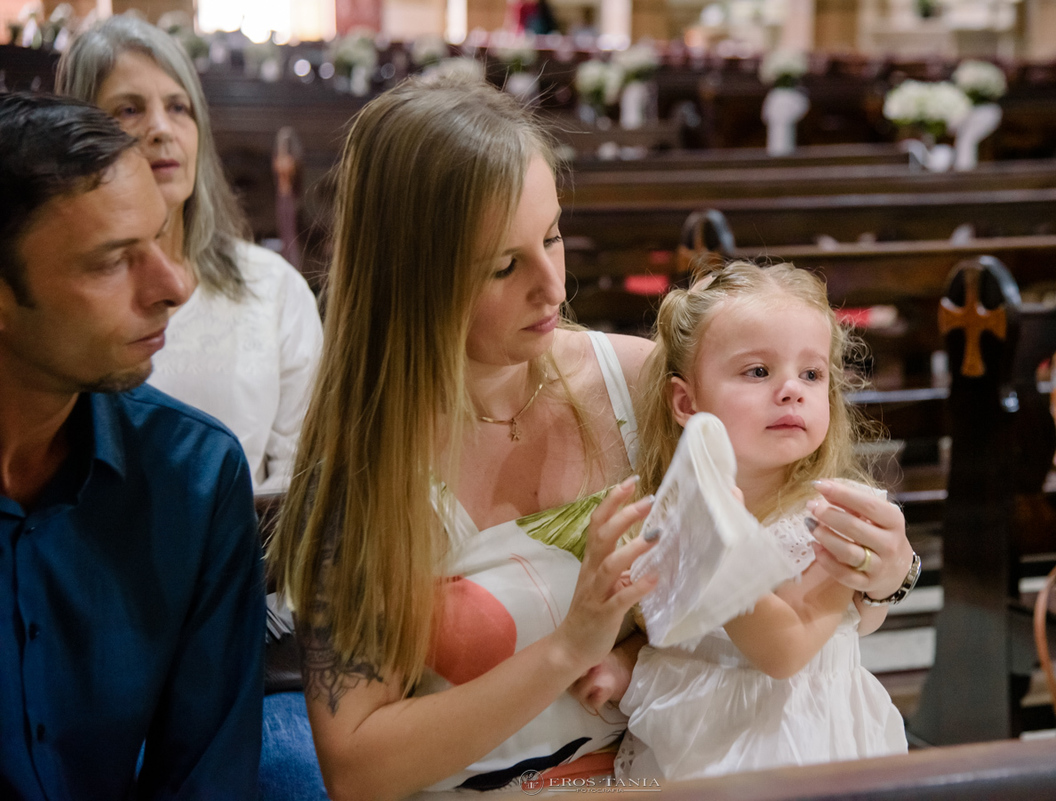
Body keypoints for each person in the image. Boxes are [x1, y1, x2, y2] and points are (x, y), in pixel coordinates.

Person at [268, 76, 917, 799]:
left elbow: (791, 570)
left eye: (552, 236)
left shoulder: (641, 389)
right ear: (416, 279)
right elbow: (358, 769)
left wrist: (886, 573)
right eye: (505, 265)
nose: (552, 286)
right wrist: (570, 646)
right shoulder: (366, 474)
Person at [0, 92, 263, 800]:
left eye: (164, 235)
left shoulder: (194, 476)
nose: (174, 285)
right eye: (114, 261)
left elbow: (207, 778)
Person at [609, 260, 913, 780]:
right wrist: (621, 661)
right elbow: (675, 628)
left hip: (793, 745)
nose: (792, 389)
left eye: (812, 374)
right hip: (689, 737)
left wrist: (716, 546)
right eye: (758, 371)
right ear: (686, 400)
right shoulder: (670, 503)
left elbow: (785, 649)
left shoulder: (834, 515)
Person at [57, 13, 323, 495]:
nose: (162, 129)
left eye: (178, 107)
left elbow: (304, 473)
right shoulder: (61, 294)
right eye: (129, 110)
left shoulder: (273, 286)